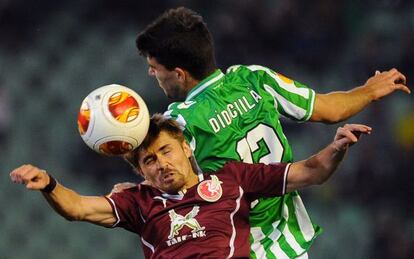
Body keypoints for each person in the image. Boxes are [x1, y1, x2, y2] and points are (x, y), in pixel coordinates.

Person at [132, 7, 410, 258]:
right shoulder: (255, 79)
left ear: (179, 74)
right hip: (288, 244)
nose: (151, 73)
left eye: (154, 68)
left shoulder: (180, 120)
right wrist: (370, 90)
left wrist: (134, 189)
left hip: (236, 247)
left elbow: (169, 183)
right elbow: (329, 110)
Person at [10, 114, 371, 258]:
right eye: (149, 161)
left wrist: (336, 147)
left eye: (166, 151)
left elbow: (311, 172)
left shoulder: (232, 179)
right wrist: (50, 185)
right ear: (141, 172)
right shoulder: (138, 201)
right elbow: (78, 208)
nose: (162, 164)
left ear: (185, 147)